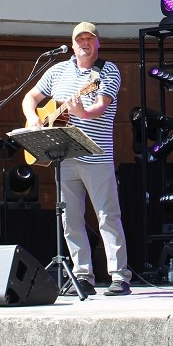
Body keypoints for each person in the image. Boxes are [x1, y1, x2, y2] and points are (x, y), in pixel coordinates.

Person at [21, 22, 132, 296]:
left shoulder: (107, 71)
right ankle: (83, 276)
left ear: (97, 43)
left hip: (96, 155)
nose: (84, 43)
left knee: (107, 216)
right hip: (64, 155)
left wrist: (82, 112)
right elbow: (30, 97)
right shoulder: (57, 70)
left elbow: (100, 107)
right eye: (79, 39)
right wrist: (34, 118)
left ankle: (119, 276)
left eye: (89, 39)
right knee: (70, 218)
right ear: (72, 44)